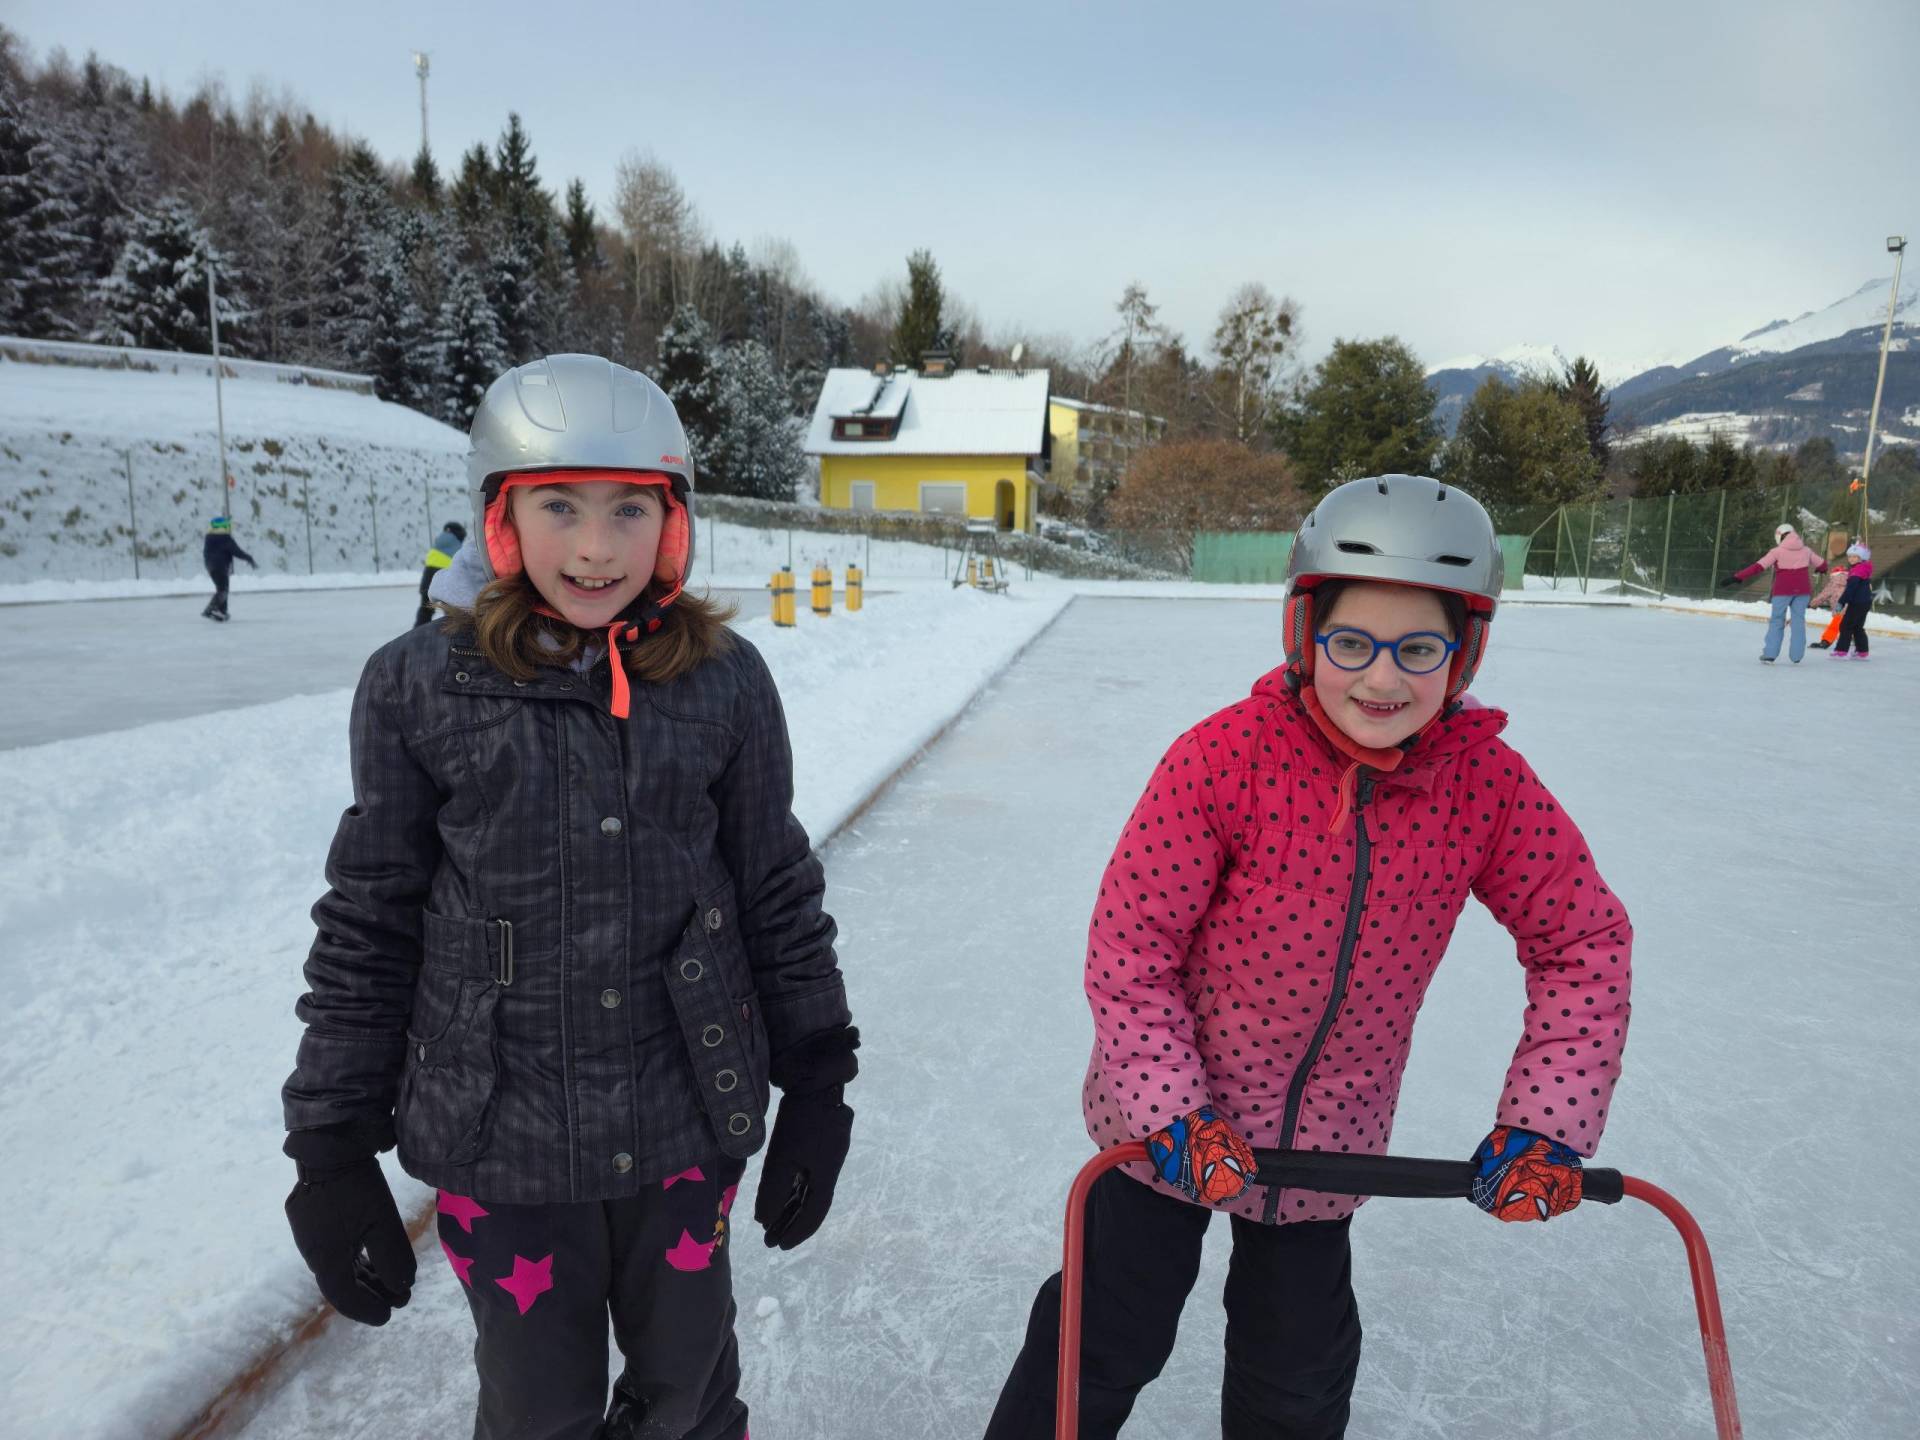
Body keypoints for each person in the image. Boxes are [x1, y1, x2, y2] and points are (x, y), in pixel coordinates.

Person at [984, 475, 1634, 1440]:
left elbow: (1584, 940)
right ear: (1304, 635)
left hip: (1329, 1140)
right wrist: (1171, 1108)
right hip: (1169, 1128)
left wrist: (1545, 1122)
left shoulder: (1485, 788)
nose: (1383, 680)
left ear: (1464, 653)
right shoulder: (1224, 760)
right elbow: (1132, 947)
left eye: (1419, 649)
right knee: (1103, 1336)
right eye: (1351, 644)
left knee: (1295, 1375)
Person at [281, 355, 858, 1440]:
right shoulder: (416, 687)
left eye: (628, 509)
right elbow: (369, 920)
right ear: (500, 521)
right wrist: (330, 1144)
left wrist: (819, 1080)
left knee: (687, 1389)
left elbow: (775, 886)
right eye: (559, 507)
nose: (596, 547)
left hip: (683, 1118)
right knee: (539, 1410)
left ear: (673, 523)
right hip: (503, 1142)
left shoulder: (723, 681)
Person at [1720, 521, 1828, 663]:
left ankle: (1770, 654)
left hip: (1782, 591)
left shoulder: (1776, 552)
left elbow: (1758, 567)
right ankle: (1796, 656)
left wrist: (1737, 577)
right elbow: (1823, 564)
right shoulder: (1806, 550)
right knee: (1798, 621)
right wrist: (1820, 569)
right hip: (1802, 591)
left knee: (1777, 620)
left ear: (1779, 536)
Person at [200, 515, 256, 621]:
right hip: (221, 566)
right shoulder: (224, 537)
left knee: (222, 589)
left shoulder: (209, 537)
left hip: (210, 566)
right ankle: (210, 609)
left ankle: (221, 612)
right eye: (227, 526)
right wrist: (249, 558)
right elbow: (236, 551)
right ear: (223, 527)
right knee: (223, 590)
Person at [414, 519, 467, 627]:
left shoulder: (438, 542)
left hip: (428, 575)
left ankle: (417, 631)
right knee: (451, 611)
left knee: (425, 609)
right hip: (445, 576)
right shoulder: (457, 545)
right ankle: (452, 633)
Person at [1831, 541, 1874, 660]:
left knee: (1846, 626)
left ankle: (1841, 652)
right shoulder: (1863, 567)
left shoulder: (1857, 571)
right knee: (1857, 627)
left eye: (1855, 557)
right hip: (1864, 602)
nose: (1851, 559)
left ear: (1861, 558)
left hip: (1857, 603)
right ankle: (1862, 652)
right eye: (1850, 556)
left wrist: (1841, 602)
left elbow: (1850, 589)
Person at [1810, 554, 1849, 649]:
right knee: (1850, 625)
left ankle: (1826, 641)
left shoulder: (1833, 584)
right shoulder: (1851, 582)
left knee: (1834, 626)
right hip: (1852, 609)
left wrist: (1812, 604)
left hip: (1840, 609)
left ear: (1833, 575)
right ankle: (1854, 639)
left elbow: (1823, 596)